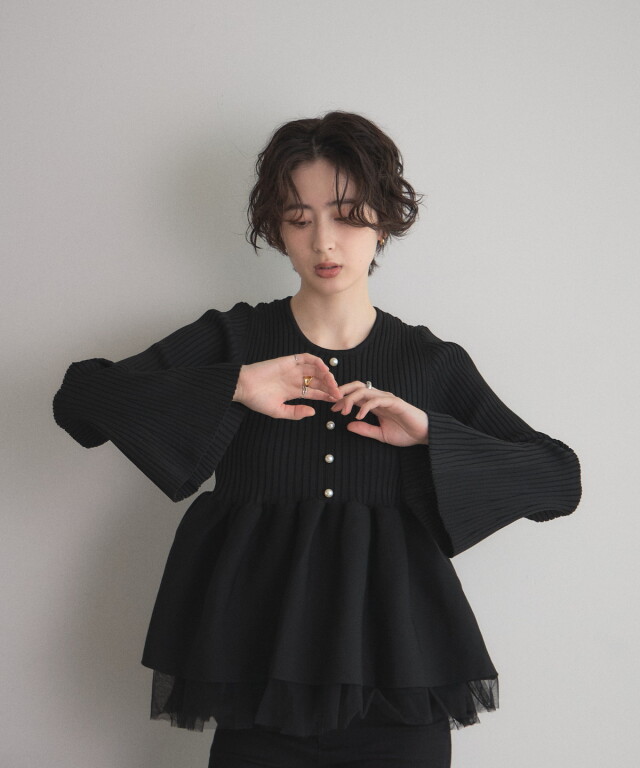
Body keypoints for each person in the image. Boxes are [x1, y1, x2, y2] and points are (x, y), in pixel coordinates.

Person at [52, 110, 582, 768]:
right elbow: (80, 401)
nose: (325, 242)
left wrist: (431, 435)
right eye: (299, 218)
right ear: (276, 227)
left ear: (383, 219)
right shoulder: (237, 340)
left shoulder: (430, 364)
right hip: (258, 689)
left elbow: (559, 479)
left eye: (348, 215)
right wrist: (234, 385)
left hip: (400, 697)